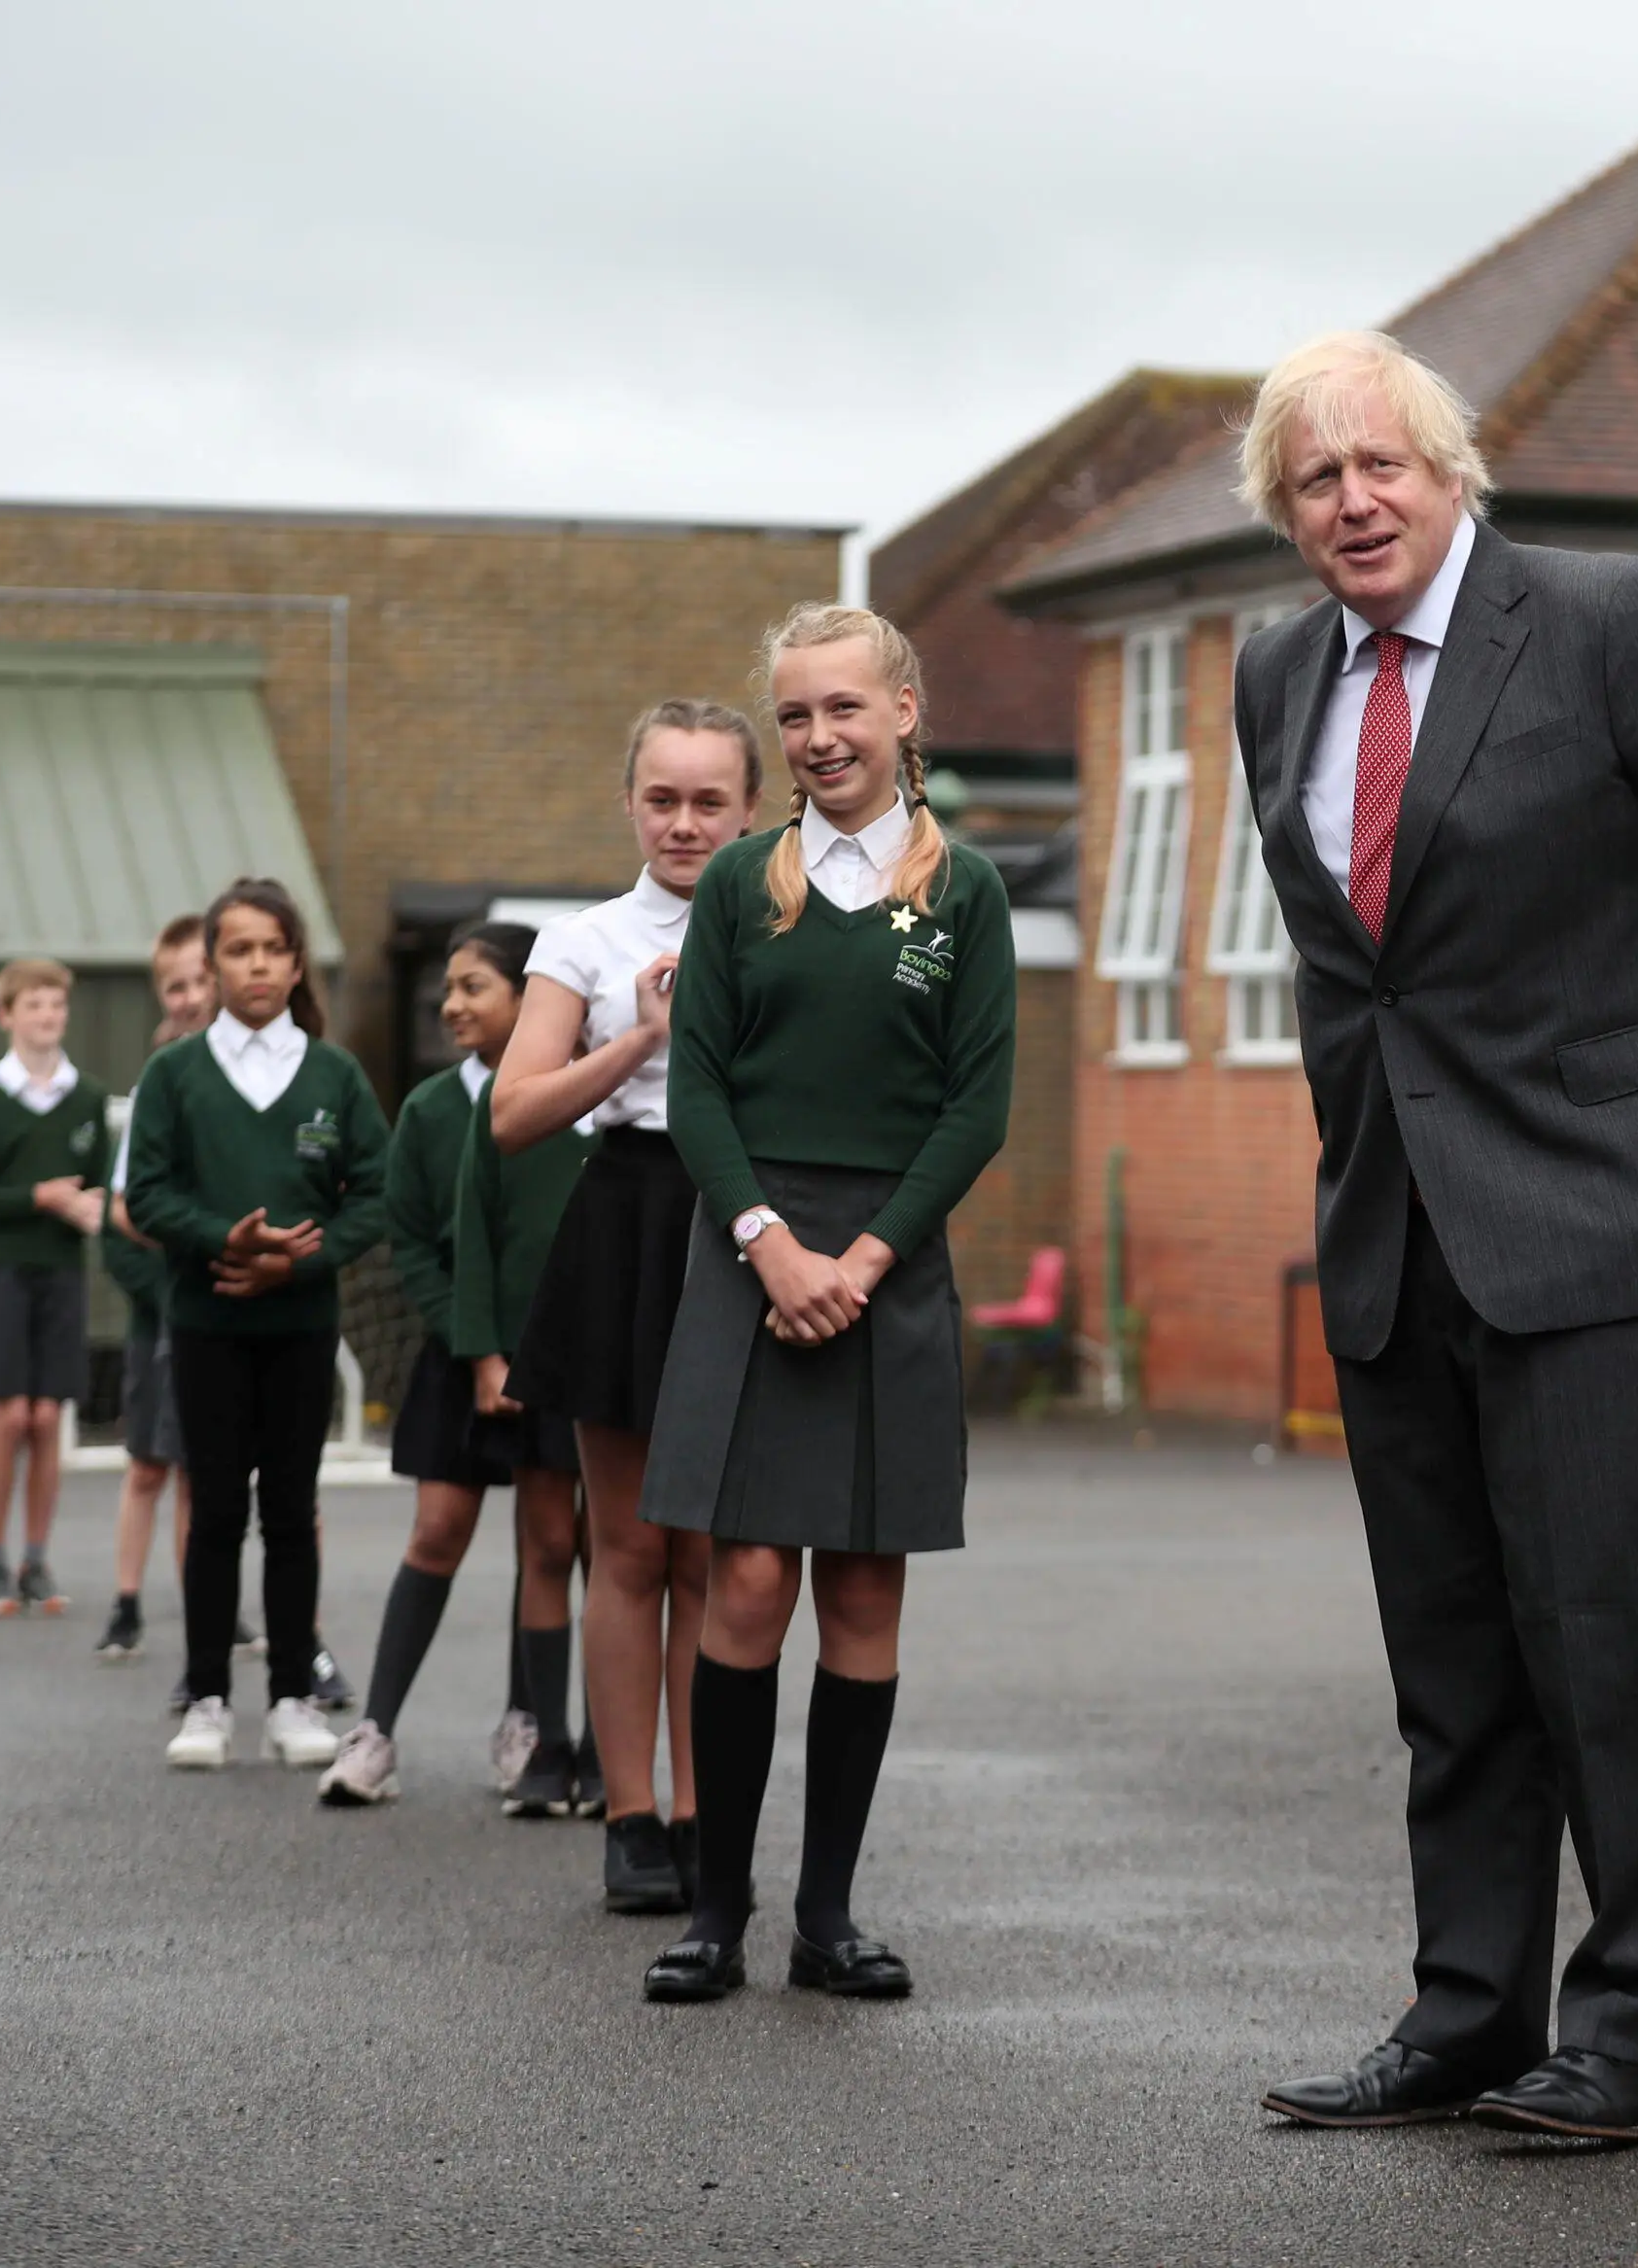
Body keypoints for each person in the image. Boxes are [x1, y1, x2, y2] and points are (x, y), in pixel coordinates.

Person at [1233, 332, 1638, 2145]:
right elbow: (1361, 966)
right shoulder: (1273, 672)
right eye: (1316, 480)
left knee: (1592, 1639)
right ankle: (1469, 2009)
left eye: (1381, 463)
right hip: (1396, 1229)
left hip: (1603, 1221)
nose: (1355, 501)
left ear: (1452, 466)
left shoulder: (1615, 618)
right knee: (1453, 1658)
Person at [636, 605, 1016, 2006]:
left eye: (844, 709)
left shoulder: (963, 892)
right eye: (794, 716)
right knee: (742, 1583)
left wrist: (863, 1259)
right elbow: (698, 1087)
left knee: (863, 1589)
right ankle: (714, 1915)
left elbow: (976, 1106)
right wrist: (771, 1245)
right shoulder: (741, 882)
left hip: (888, 1265)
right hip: (751, 1258)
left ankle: (828, 1918)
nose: (818, 737)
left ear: (905, 712)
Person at [492, 701, 757, 1911]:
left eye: (710, 799)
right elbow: (515, 1112)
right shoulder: (581, 939)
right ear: (631, 801)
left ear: (753, 807)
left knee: (713, 1546)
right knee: (628, 1543)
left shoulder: (790, 922)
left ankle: (705, 1812)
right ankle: (630, 1812)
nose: (686, 821)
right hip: (626, 1216)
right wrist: (638, 1040)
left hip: (741, 1221)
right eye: (664, 797)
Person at [125, 878, 390, 1773]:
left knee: (288, 1509)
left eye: (274, 948)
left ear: (294, 959)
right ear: (212, 963)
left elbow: (377, 1194)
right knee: (212, 1514)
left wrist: (301, 1259)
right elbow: (147, 1194)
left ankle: (288, 1694)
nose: (258, 965)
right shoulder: (174, 1073)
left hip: (302, 1324)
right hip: (204, 1322)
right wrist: (220, 1240)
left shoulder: (334, 1073)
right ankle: (206, 1696)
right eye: (239, 949)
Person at [318, 921, 575, 1807]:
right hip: (460, 1359)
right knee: (437, 1531)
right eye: (448, 990)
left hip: (558, 1362)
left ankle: (529, 1728)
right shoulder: (429, 1110)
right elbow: (414, 1247)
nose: (452, 1005)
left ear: (528, 994)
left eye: (474, 987)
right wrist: (476, 1350)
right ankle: (375, 1731)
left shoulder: (576, 1095)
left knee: (550, 1540)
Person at [453, 961, 602, 1820]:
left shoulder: (637, 1094)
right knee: (545, 1544)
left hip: (617, 1352)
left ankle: (606, 1746)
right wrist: (484, 1354)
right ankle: (547, 1743)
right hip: (531, 1355)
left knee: (615, 1554)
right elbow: (475, 1230)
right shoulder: (512, 1100)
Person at [0, 956, 111, 1620]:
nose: (48, 1016)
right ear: (7, 1015)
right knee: (8, 1415)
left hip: (62, 1272)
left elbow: (97, 1187)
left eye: (57, 1005)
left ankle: (36, 1558)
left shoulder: (89, 1096)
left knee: (47, 1418)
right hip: (1, 1271)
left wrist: (91, 1209)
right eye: (35, 1005)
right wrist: (39, 1197)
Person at [95, 917, 213, 1664]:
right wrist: (172, 1272)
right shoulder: (157, 1086)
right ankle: (127, 1599)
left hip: (222, 1309)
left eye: (204, 979)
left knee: (206, 1473)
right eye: (179, 985)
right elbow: (121, 1212)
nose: (194, 995)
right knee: (149, 1463)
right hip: (162, 1311)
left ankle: (209, 1604)